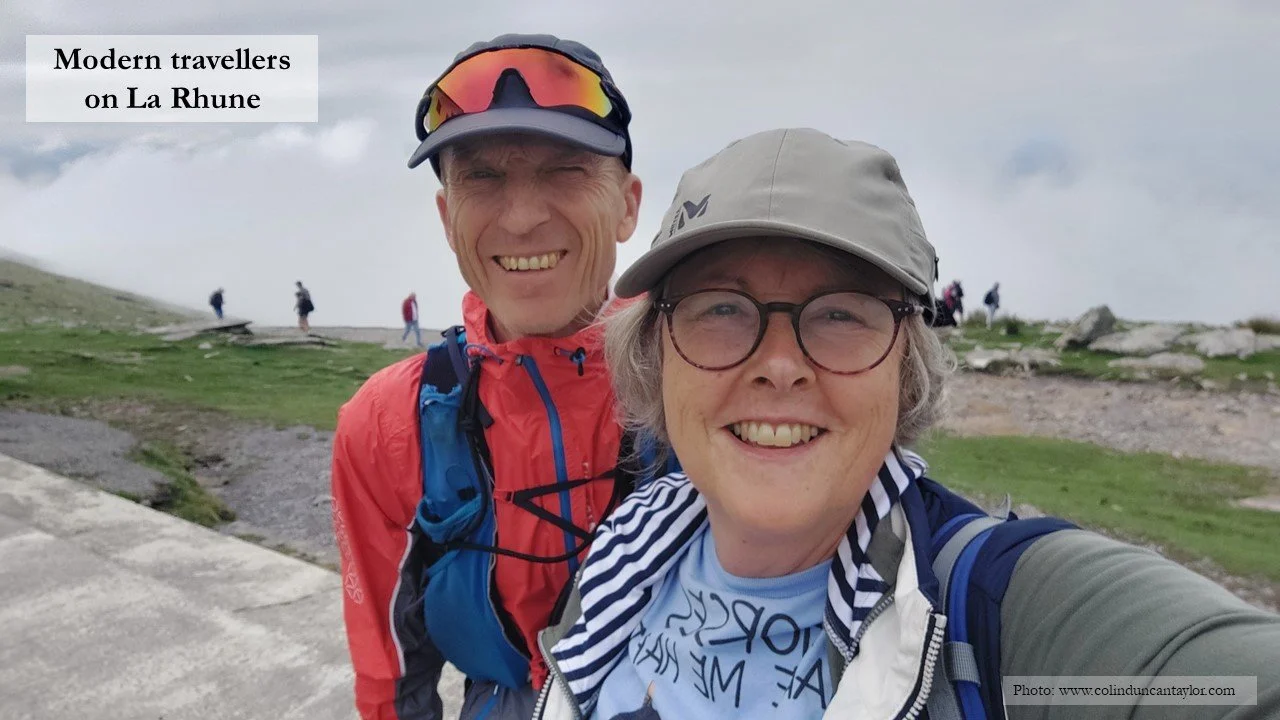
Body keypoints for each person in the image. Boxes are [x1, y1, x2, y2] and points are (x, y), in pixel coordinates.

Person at [535, 129, 1280, 719]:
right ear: (657, 354)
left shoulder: (998, 615)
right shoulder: (625, 555)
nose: (780, 365)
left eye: (839, 315)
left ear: (908, 369)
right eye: (722, 309)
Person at [331, 34, 656, 720]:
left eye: (566, 170)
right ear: (448, 218)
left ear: (627, 206)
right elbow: (390, 677)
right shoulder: (390, 424)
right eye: (482, 177)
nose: (522, 216)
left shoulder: (702, 378)